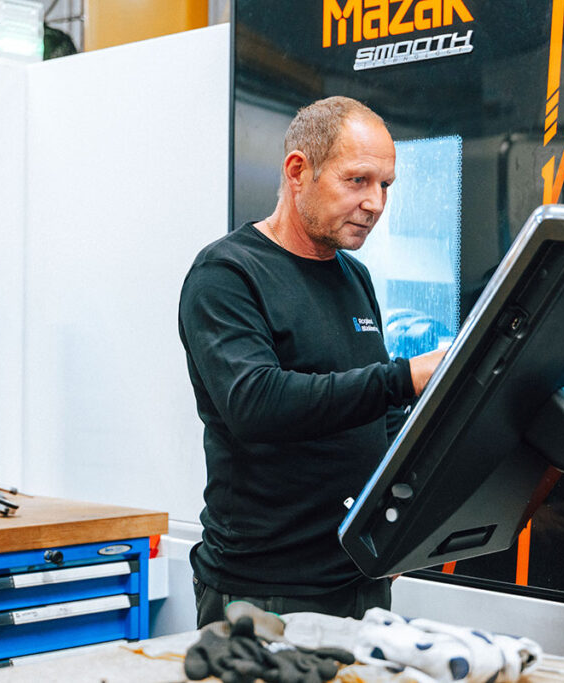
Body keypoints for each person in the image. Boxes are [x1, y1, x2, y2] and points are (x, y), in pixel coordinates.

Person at [178, 96, 445, 627]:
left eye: (385, 185)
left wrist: (398, 529)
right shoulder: (227, 274)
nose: (375, 203)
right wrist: (404, 378)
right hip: (261, 591)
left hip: (358, 577)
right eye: (357, 180)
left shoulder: (354, 276)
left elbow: (382, 421)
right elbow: (256, 404)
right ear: (299, 171)